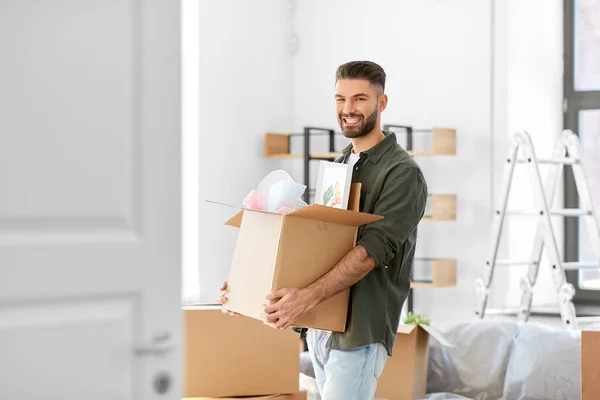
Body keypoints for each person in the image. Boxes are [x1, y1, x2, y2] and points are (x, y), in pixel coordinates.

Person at [218, 60, 428, 399]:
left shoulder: (402, 173)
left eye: (360, 99)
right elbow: (315, 246)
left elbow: (369, 253)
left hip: (359, 329)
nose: (348, 109)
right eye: (340, 99)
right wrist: (247, 288)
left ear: (382, 103)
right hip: (321, 325)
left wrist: (304, 299)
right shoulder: (342, 164)